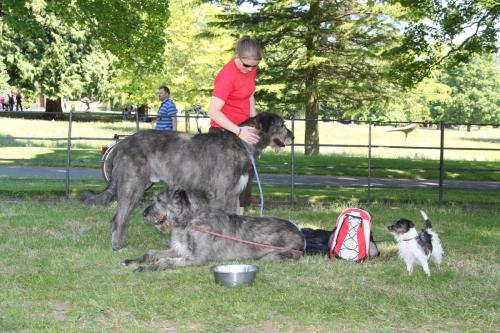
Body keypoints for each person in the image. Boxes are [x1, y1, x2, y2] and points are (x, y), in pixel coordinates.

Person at [207, 36, 262, 212]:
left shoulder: (251, 69)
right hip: (223, 133)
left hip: (244, 130)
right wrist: (238, 131)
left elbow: (250, 94)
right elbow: (213, 111)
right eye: (246, 65)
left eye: (254, 65)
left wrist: (255, 124)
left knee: (243, 183)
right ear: (236, 56)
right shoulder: (226, 76)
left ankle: (238, 225)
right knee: (224, 188)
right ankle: (217, 228)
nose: (250, 69)